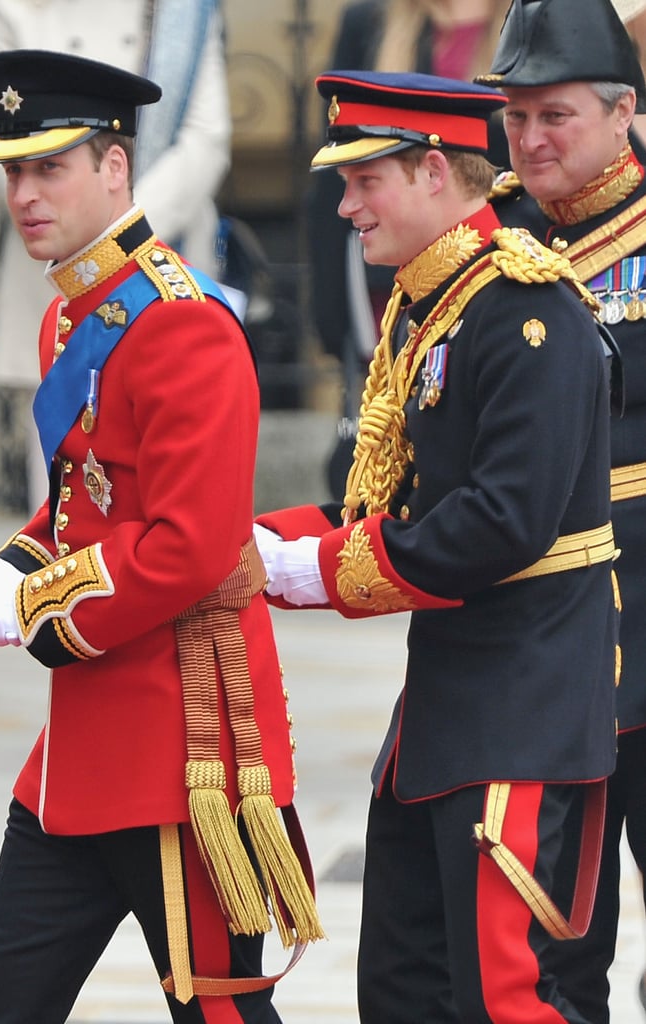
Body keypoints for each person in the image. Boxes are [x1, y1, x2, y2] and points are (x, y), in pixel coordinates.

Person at [0, 48, 322, 1024]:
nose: (24, 193)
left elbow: (188, 547)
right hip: (80, 755)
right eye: (13, 171)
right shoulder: (77, 313)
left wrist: (33, 605)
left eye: (49, 167)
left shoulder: (182, 326)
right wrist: (16, 558)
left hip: (180, 751)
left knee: (224, 1015)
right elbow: (88, 495)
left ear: (115, 167)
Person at [254, 68, 619, 1022]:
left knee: (514, 999)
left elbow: (501, 521)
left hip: (524, 714)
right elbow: (385, 499)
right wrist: (252, 546)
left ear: (429, 172)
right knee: (407, 993)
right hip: (447, 717)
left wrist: (317, 572)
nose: (345, 207)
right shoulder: (433, 302)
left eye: (364, 181)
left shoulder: (524, 308)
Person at [475, 0, 646, 1019]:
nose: (532, 140)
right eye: (515, 116)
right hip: (546, 653)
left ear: (624, 112)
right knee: (548, 941)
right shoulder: (491, 238)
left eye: (557, 116)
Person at [0, 0, 232, 510]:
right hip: (52, 277)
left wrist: (114, 230)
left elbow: (207, 139)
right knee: (59, 494)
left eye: (48, 168)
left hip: (156, 246)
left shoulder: (180, 10)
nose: (24, 187)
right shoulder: (15, 8)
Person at [306, 0, 511, 498]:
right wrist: (333, 318)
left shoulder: (518, 21)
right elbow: (337, 184)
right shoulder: (372, 20)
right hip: (387, 275)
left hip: (489, 260)